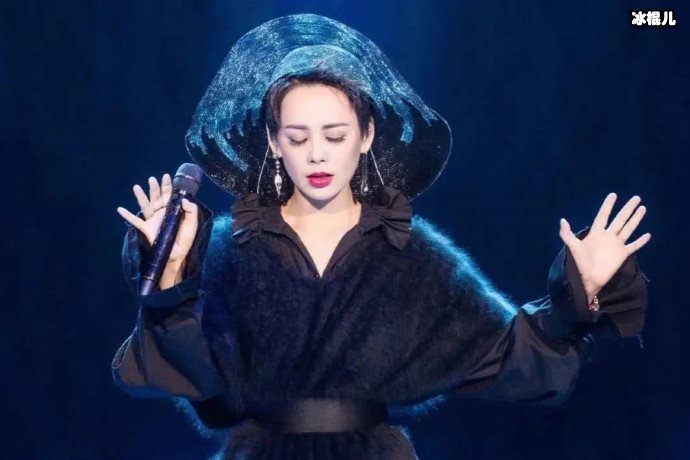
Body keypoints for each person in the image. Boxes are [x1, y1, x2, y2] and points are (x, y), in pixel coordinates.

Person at [112, 14, 651, 459]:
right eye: (297, 137)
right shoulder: (227, 251)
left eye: (335, 135)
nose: (317, 154)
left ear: (367, 135)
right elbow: (190, 374)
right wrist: (171, 275)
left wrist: (579, 295)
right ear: (273, 142)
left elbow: (505, 354)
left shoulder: (415, 255)